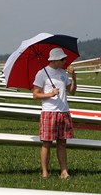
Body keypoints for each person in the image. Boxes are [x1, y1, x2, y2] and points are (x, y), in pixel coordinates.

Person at [33, 48, 77, 179]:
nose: (65, 61)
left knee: (62, 143)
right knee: (47, 143)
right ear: (56, 60)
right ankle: (45, 172)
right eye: (63, 59)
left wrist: (74, 78)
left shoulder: (63, 73)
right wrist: (50, 94)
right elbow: (35, 94)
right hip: (49, 112)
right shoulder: (42, 73)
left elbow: (72, 91)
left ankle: (64, 171)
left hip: (64, 111)